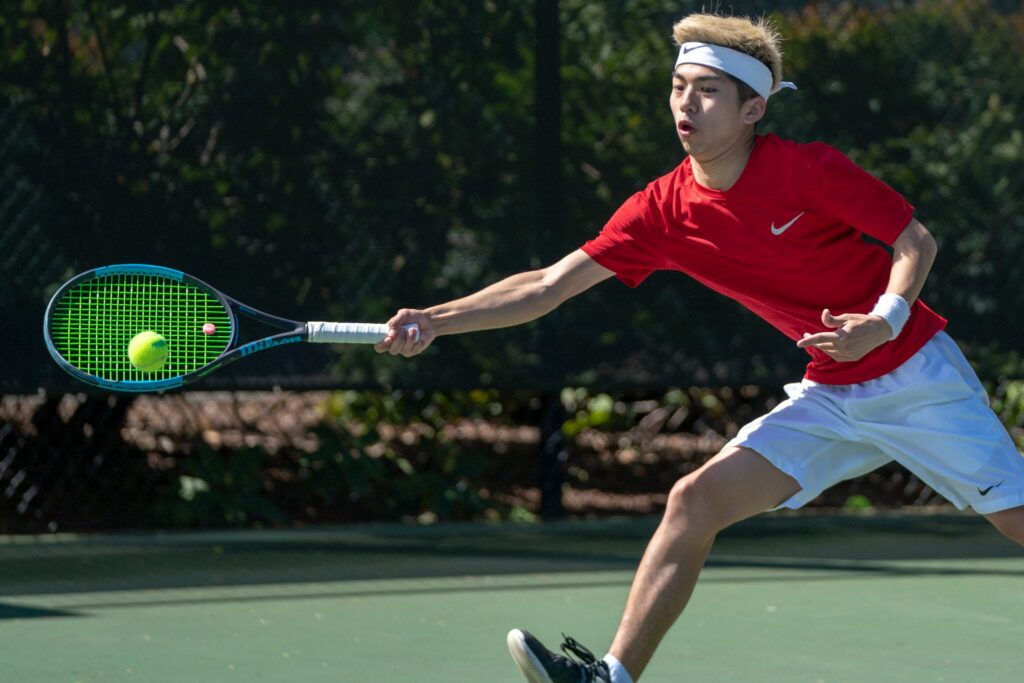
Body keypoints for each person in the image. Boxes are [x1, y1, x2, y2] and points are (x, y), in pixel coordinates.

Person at [374, 12, 1024, 683]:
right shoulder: (661, 210)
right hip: (832, 391)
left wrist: (883, 322)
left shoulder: (808, 171)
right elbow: (547, 285)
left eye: (708, 90)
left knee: (1017, 520)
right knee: (694, 500)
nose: (686, 102)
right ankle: (611, 677)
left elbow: (916, 241)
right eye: (679, 86)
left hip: (916, 375)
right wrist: (436, 319)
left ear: (752, 108)